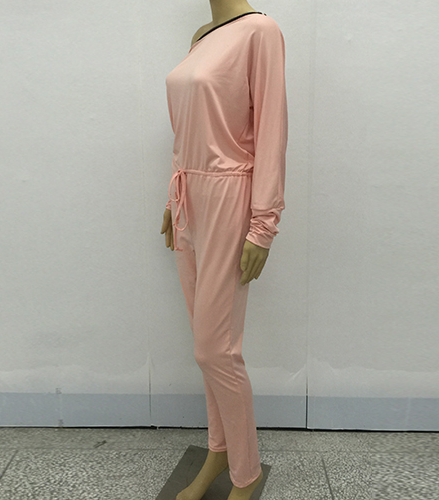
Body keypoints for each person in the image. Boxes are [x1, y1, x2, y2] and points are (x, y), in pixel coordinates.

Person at [160, 1, 288, 498]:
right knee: (205, 348)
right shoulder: (202, 35)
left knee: (217, 349)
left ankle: (246, 473)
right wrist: (171, 199)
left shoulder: (260, 31)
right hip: (188, 198)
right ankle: (219, 452)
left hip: (229, 197)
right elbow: (187, 128)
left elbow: (272, 131)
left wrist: (263, 226)